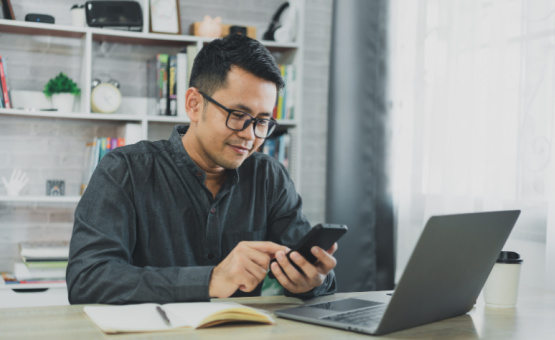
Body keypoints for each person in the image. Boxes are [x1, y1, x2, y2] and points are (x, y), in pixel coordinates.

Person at [66, 34, 337, 304]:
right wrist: (211, 279)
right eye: (238, 116)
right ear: (194, 105)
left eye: (262, 121)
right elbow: (87, 280)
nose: (250, 136)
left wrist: (312, 281)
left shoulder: (270, 178)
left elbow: (317, 275)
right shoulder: (124, 171)